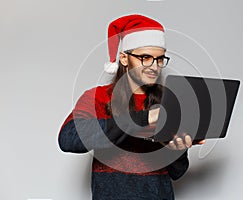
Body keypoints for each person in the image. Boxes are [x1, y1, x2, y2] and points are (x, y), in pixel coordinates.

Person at [58, 14, 205, 200]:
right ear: (124, 59)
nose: (154, 66)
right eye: (145, 57)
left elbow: (177, 172)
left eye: (160, 59)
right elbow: (68, 138)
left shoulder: (169, 102)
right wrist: (144, 119)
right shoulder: (98, 97)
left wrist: (178, 150)